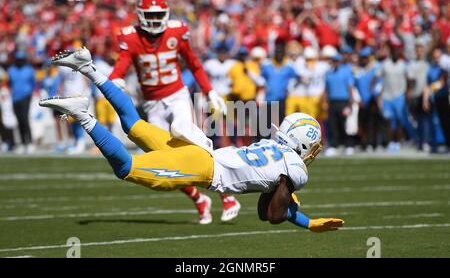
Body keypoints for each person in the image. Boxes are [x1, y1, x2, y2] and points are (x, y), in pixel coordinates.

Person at [40, 46, 344, 232]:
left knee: (134, 124)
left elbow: (268, 206)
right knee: (127, 169)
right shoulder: (295, 170)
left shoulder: (275, 149)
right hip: (201, 166)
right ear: (303, 144)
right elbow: (272, 215)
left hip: (199, 148)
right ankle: (84, 115)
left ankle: (89, 68)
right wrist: (305, 221)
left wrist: (290, 201)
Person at [107, 0, 239, 224]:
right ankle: (199, 199)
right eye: (151, 15)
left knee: (189, 139)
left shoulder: (177, 31)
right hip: (152, 103)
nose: (156, 19)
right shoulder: (131, 37)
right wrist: (115, 79)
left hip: (177, 95)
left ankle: (227, 196)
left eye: (159, 14)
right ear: (141, 16)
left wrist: (210, 91)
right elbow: (122, 65)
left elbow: (194, 64)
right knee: (165, 160)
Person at [322, 53, 355, 156]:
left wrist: (350, 102)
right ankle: (334, 145)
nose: (335, 63)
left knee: (345, 124)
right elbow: (326, 89)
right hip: (332, 101)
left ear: (340, 62)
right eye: (334, 61)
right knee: (333, 124)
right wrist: (325, 101)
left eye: (337, 61)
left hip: (343, 101)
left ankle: (349, 145)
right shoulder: (328, 73)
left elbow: (350, 87)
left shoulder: (346, 72)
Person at [7, 51, 35, 154]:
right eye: (18, 59)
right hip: (15, 98)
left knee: (25, 119)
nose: (20, 61)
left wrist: (29, 94)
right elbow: (10, 83)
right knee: (19, 121)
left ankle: (30, 142)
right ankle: (23, 143)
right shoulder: (12, 70)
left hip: (25, 97)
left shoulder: (29, 70)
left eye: (21, 60)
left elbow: (33, 83)